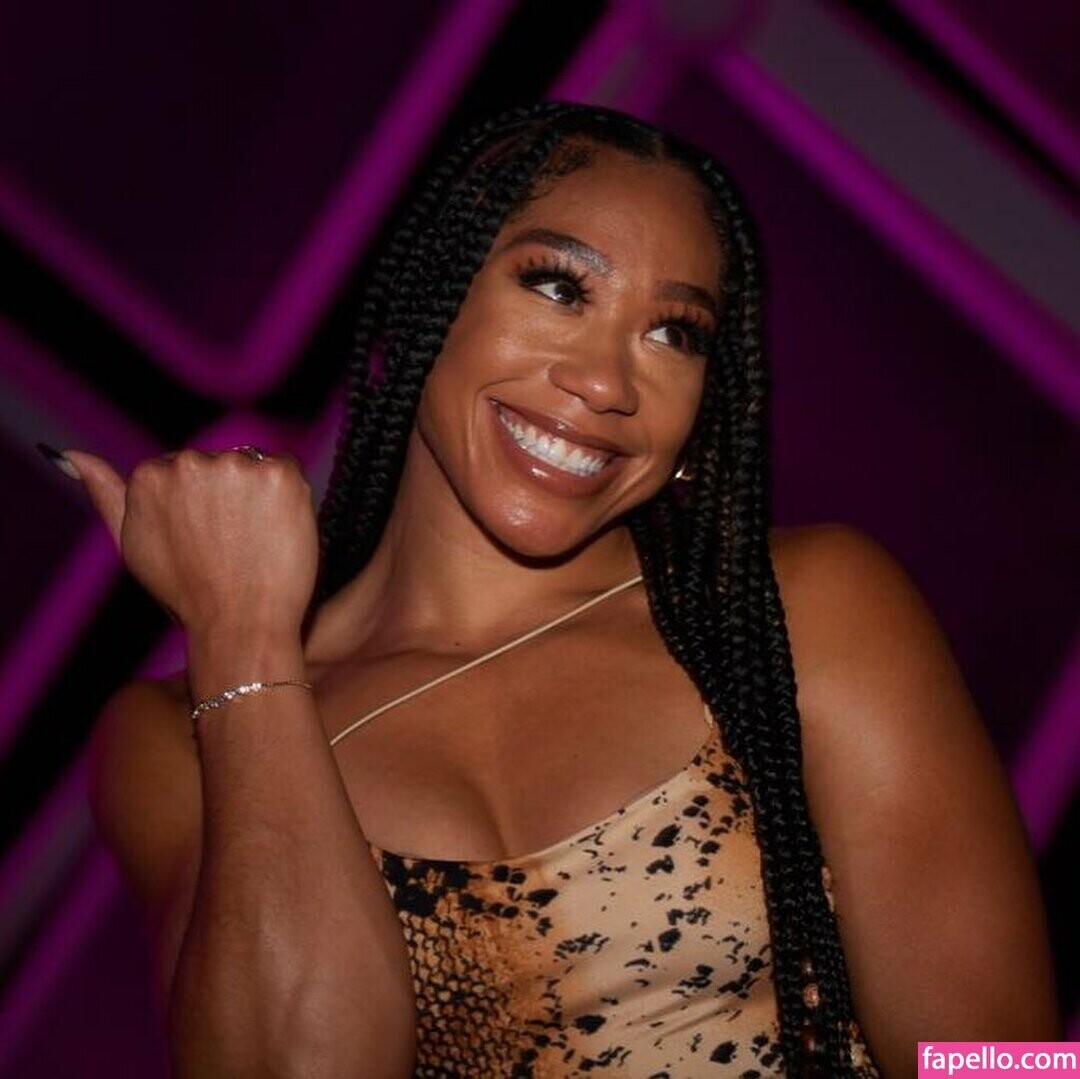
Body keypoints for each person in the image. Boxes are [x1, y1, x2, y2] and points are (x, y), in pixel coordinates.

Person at [46, 102, 1057, 1077]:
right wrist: (245, 638)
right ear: (429, 299)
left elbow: (1004, 1060)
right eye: (560, 288)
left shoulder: (801, 608)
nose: (609, 382)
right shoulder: (173, 738)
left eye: (675, 334)